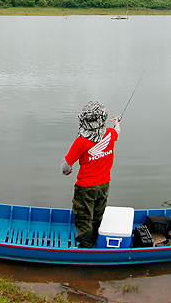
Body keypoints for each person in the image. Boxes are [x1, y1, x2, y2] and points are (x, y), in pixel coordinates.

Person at [61, 101, 121, 248]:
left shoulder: (80, 142)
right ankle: (96, 239)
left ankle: (86, 246)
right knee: (97, 214)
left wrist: (67, 171)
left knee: (83, 217)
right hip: (104, 185)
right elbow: (117, 131)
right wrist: (117, 122)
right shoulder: (110, 134)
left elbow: (65, 166)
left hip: (85, 188)